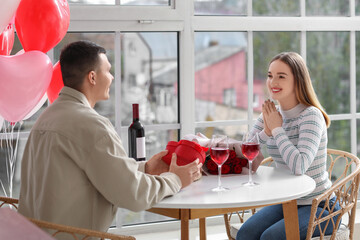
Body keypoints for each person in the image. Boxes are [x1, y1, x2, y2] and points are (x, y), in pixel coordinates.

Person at [18, 40, 202, 237]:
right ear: (92, 77)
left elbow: (90, 172)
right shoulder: (91, 125)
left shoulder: (47, 117)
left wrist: (144, 168)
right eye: (108, 70)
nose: (112, 77)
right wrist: (176, 179)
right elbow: (134, 195)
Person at [236, 52, 340, 240]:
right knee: (246, 234)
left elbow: (299, 166)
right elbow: (246, 154)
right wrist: (266, 133)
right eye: (270, 75)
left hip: (320, 206)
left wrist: (276, 129)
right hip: (287, 200)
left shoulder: (311, 116)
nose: (272, 82)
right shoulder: (270, 114)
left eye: (281, 76)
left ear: (298, 81)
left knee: (270, 238)